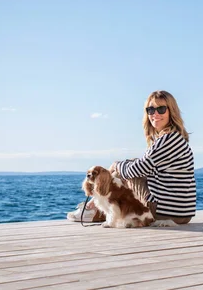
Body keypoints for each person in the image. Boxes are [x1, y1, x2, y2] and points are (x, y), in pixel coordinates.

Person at [67, 90, 196, 225]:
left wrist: (116, 165)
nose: (155, 114)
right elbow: (143, 165)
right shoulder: (175, 139)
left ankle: (94, 209)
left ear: (172, 111)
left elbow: (134, 171)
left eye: (161, 109)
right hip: (182, 213)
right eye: (151, 110)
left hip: (164, 212)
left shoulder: (168, 140)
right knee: (129, 166)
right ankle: (98, 208)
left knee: (122, 173)